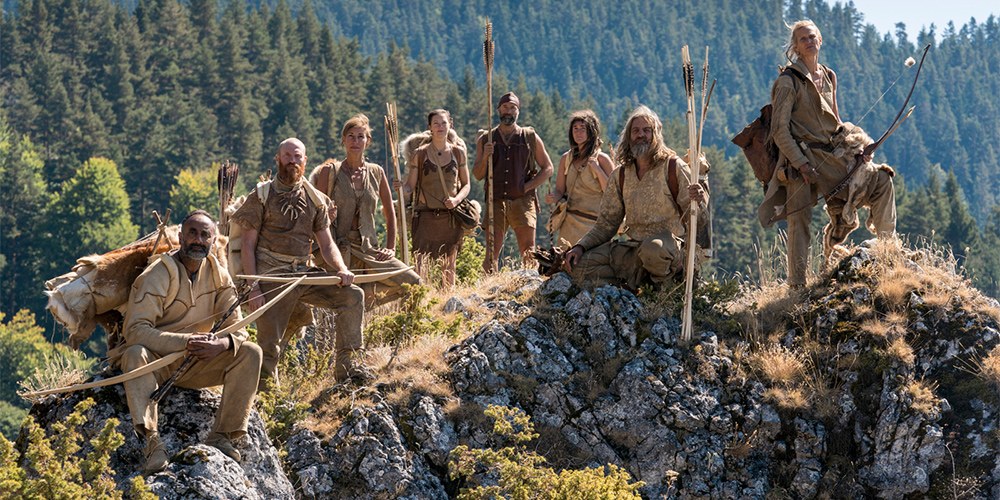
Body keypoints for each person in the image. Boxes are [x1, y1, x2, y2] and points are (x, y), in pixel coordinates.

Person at [119, 210, 261, 474]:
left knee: (251, 352)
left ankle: (222, 436)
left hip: (201, 362)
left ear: (213, 239)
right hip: (159, 363)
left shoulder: (220, 275)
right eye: (192, 233)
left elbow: (240, 330)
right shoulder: (158, 274)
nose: (198, 240)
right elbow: (136, 331)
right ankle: (152, 444)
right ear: (180, 236)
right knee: (135, 353)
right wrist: (185, 342)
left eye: (205, 234)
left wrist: (222, 344)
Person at [758, 20, 896, 289]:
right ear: (795, 48)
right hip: (802, 159)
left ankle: (889, 257)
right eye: (802, 39)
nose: (808, 41)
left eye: (812, 37)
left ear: (820, 40)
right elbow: (779, 131)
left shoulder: (829, 76)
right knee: (800, 220)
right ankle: (797, 287)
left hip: (834, 156)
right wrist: (801, 163)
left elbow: (836, 122)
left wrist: (858, 149)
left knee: (881, 182)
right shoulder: (788, 82)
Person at [231, 137, 365, 384]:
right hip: (272, 276)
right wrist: (253, 287)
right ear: (278, 159)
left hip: (304, 272)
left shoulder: (314, 199)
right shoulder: (261, 196)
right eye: (287, 156)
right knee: (269, 346)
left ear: (305, 161)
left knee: (352, 296)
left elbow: (326, 244)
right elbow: (248, 246)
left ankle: (349, 371)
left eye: (297, 157)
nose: (292, 161)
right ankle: (266, 402)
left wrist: (342, 269)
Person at [564, 106, 708, 290]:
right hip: (633, 249)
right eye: (636, 131)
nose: (641, 135)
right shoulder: (621, 174)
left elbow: (697, 220)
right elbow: (606, 225)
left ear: (656, 134)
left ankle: (667, 288)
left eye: (647, 130)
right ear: (628, 136)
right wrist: (580, 247)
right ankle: (635, 285)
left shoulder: (673, 167)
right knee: (578, 266)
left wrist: (699, 201)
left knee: (653, 249)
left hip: (668, 249)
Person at [310, 114, 421, 307]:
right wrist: (326, 218)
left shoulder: (376, 172)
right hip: (336, 249)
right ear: (343, 140)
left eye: (360, 136)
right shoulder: (329, 172)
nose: (355, 141)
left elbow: (389, 211)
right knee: (339, 302)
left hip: (369, 249)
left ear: (367, 141)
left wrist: (390, 246)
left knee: (413, 282)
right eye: (351, 136)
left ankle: (370, 300)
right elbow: (314, 213)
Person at [472, 91, 554, 271]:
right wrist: (486, 155)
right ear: (498, 110)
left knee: (528, 251)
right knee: (491, 252)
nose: (508, 111)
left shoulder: (529, 136)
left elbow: (548, 168)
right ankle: (488, 289)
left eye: (512, 108)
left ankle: (528, 287)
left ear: (518, 111)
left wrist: (526, 187)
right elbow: (477, 174)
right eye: (505, 107)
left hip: (524, 201)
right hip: (495, 199)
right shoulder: (486, 139)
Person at [396, 109, 473, 288]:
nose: (440, 127)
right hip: (425, 216)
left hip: (450, 217)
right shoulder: (420, 154)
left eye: (444, 123)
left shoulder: (458, 153)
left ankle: (447, 303)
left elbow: (466, 184)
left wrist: (456, 200)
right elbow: (410, 186)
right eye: (436, 124)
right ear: (429, 127)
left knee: (449, 265)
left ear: (450, 124)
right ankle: (421, 302)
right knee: (420, 264)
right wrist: (402, 187)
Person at [545, 110, 614, 249]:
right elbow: (560, 190)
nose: (578, 132)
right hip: (569, 223)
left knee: (593, 265)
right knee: (565, 265)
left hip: (595, 226)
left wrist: (597, 169)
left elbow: (612, 193)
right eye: (575, 129)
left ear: (591, 132)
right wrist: (554, 197)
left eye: (583, 129)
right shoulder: (567, 159)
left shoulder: (602, 159)